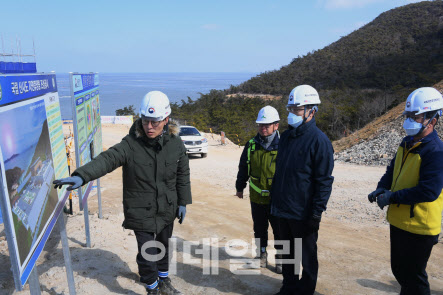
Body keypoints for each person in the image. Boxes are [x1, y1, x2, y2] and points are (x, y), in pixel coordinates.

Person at [53, 91, 191, 295]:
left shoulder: (176, 144)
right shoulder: (131, 144)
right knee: (147, 252)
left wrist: (183, 202)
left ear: (166, 120)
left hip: (167, 207)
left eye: (155, 122)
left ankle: (163, 279)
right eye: (145, 121)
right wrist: (82, 176)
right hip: (140, 208)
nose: (149, 127)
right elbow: (108, 159)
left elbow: (182, 174)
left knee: (163, 245)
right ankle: (152, 287)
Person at [368, 87, 443, 295]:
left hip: (420, 226)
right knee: (400, 271)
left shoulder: (435, 151)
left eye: (416, 117)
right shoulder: (406, 142)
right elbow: (392, 171)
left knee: (414, 278)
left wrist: (392, 197)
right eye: (408, 115)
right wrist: (382, 187)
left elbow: (429, 191)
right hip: (400, 221)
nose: (409, 121)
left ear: (433, 120)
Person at [270, 85, 334, 295]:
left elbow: (324, 180)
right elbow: (281, 172)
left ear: (311, 111)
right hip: (282, 209)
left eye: (296, 109)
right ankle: (288, 287)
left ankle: (306, 290)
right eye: (290, 109)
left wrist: (316, 212)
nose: (291, 113)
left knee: (307, 256)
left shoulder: (319, 141)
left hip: (303, 212)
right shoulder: (286, 138)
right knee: (287, 253)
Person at [235, 105, 282, 273]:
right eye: (260, 125)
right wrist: (240, 187)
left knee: (280, 231)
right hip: (256, 197)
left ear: (276, 125)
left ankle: (281, 259)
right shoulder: (251, 145)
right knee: (259, 229)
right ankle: (261, 255)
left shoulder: (284, 145)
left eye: (267, 125)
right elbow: (243, 167)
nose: (263, 128)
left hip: (278, 199)